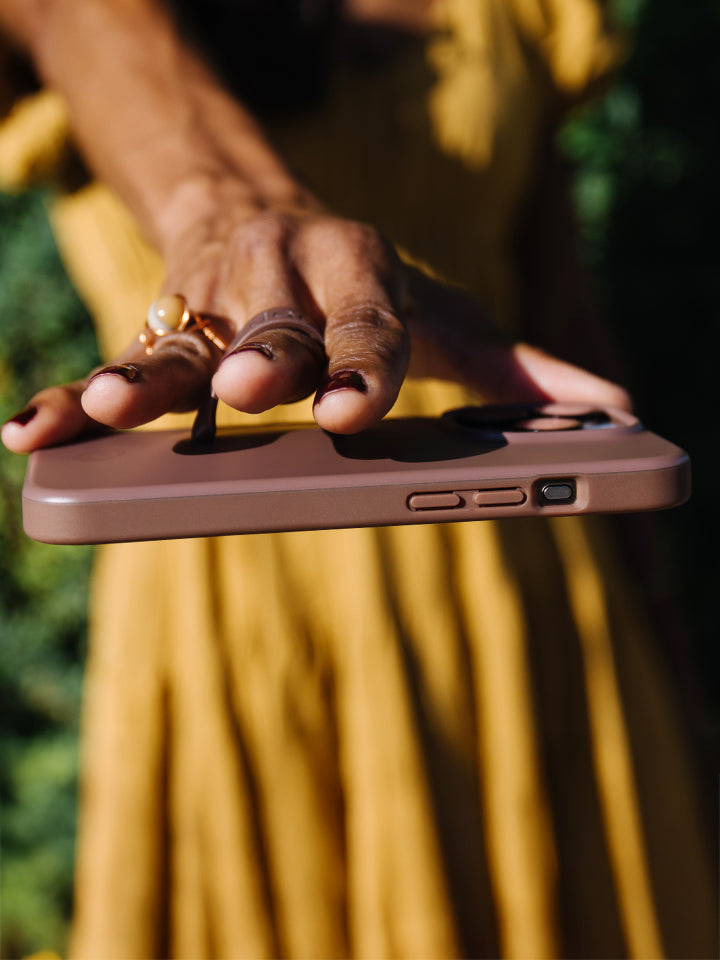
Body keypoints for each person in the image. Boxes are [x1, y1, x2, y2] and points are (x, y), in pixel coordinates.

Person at [0, 1, 715, 956]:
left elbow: (557, 322)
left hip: (520, 602)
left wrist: (660, 635)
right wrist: (227, 211)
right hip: (234, 614)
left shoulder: (515, 16)